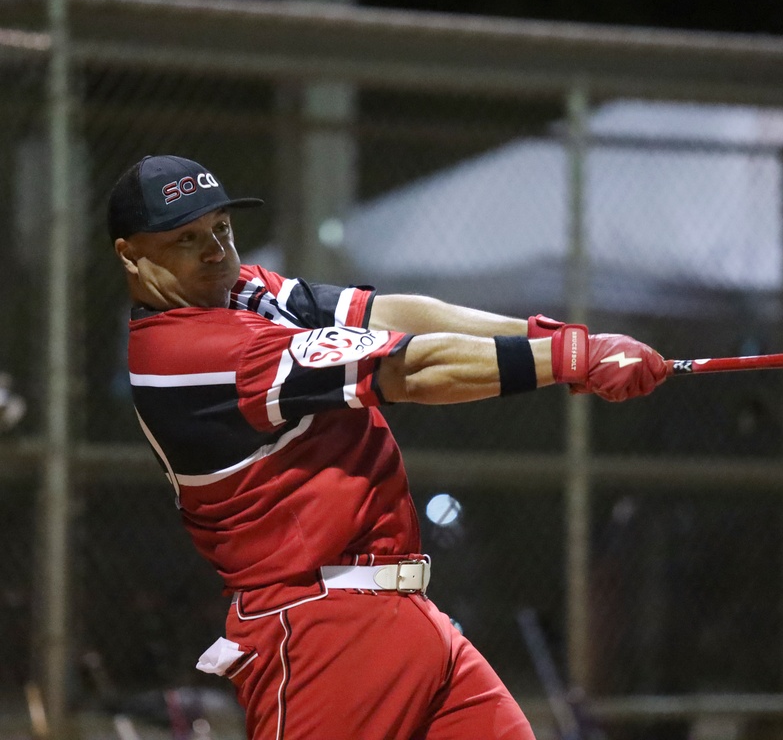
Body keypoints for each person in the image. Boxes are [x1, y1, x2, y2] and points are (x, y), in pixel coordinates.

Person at [108, 154, 668, 740]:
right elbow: (410, 368)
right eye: (186, 239)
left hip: (409, 617)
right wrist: (569, 362)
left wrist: (555, 338)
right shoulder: (188, 356)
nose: (216, 251)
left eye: (221, 228)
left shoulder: (243, 292)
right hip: (323, 636)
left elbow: (395, 314)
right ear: (131, 256)